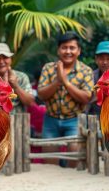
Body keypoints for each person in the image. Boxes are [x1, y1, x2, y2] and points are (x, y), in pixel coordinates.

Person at [38, 31, 93, 166]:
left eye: (72, 48)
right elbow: (41, 94)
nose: (68, 51)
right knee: (50, 165)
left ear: (78, 51)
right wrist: (58, 81)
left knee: (73, 163)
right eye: (64, 47)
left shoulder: (86, 71)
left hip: (74, 120)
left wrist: (66, 83)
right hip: (50, 120)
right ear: (58, 50)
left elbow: (86, 97)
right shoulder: (48, 68)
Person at [0, 43, 34, 113]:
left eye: (5, 57)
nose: (1, 61)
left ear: (11, 59)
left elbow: (30, 102)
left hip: (19, 122)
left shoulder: (22, 77)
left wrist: (16, 86)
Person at [88, 41, 109, 114]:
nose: (105, 62)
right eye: (101, 59)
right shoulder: (90, 77)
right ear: (96, 59)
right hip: (95, 120)